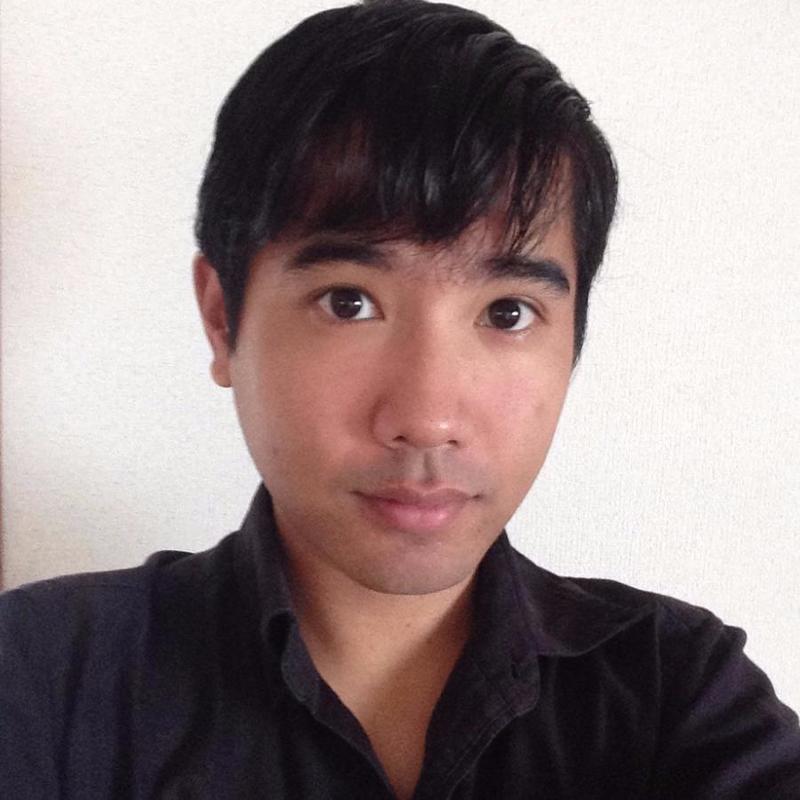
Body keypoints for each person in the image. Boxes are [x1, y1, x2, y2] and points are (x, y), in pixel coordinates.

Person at [1, 0, 798, 797]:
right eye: (349, 302)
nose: (428, 419)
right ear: (222, 320)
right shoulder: (40, 679)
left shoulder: (678, 695)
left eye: (508, 313)